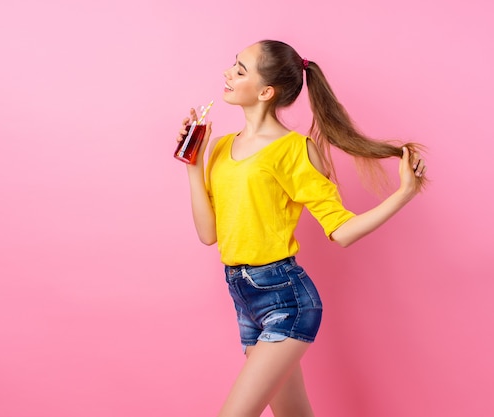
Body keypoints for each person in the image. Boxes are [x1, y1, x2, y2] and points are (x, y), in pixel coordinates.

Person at [175, 40, 427, 417]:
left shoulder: (295, 150)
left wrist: (405, 193)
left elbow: (341, 231)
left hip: (285, 299)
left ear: (265, 92)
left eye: (240, 70)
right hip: (244, 297)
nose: (228, 74)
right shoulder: (222, 147)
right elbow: (209, 234)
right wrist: (193, 166)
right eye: (233, 65)